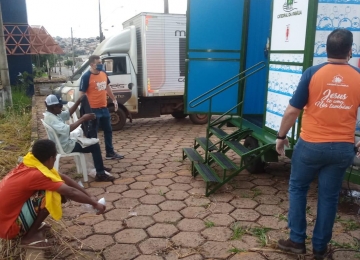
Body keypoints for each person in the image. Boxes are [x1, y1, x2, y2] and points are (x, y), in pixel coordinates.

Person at [275, 29, 360, 260]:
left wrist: (281, 136)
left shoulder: (313, 73)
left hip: (310, 146)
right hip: (342, 148)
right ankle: (320, 249)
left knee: (298, 188)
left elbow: (293, 110)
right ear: (350, 50)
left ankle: (296, 240)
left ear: (326, 49)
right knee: (329, 197)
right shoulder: (358, 76)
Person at [0, 140, 106, 249]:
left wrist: (88, 195)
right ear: (51, 158)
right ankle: (29, 237)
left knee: (48, 190)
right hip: (9, 228)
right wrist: (94, 203)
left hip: (4, 220)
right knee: (53, 195)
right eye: (55, 158)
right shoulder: (38, 174)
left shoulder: (31, 161)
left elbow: (62, 177)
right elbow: (70, 192)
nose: (55, 160)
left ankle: (31, 226)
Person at [44, 94, 114, 182]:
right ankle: (100, 173)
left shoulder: (52, 114)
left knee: (91, 143)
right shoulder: (51, 119)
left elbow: (67, 114)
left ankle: (99, 167)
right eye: (60, 106)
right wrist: (83, 119)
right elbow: (68, 129)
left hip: (64, 142)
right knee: (95, 146)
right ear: (54, 107)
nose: (61, 108)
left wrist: (78, 101)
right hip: (65, 146)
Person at [79, 55, 124, 160]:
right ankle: (94, 155)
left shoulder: (103, 73)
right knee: (93, 133)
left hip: (104, 108)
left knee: (108, 130)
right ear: (91, 64)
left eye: (100, 62)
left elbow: (107, 87)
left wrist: (114, 99)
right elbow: (82, 94)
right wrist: (84, 109)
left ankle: (110, 152)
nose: (100, 65)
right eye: (98, 63)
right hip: (93, 109)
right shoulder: (86, 76)